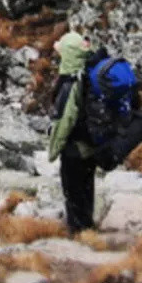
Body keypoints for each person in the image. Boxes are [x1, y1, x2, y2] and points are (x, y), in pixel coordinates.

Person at [47, 31, 106, 235]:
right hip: (91, 146)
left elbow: (65, 122)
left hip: (74, 149)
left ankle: (78, 231)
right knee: (87, 187)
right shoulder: (89, 78)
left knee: (72, 190)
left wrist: (53, 151)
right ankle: (87, 225)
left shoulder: (70, 84)